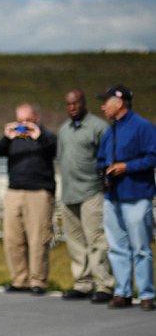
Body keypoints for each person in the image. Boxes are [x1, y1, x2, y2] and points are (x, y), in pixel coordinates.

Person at [95, 85, 156, 310]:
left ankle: (147, 294)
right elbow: (100, 158)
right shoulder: (110, 131)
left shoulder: (143, 127)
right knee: (117, 247)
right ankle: (122, 292)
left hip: (137, 195)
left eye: (106, 101)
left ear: (119, 102)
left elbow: (153, 156)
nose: (102, 106)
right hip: (113, 196)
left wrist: (127, 167)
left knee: (140, 247)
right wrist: (103, 169)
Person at [0, 103, 57, 295]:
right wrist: (7, 137)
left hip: (39, 192)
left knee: (38, 239)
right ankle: (20, 279)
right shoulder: (14, 139)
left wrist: (39, 136)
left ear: (36, 118)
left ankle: (38, 281)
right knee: (13, 239)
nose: (24, 125)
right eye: (20, 121)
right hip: (14, 191)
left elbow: (56, 149)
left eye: (27, 120)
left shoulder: (46, 136)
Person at [57, 89, 114, 303]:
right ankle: (83, 283)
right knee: (75, 241)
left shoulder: (99, 127)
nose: (72, 108)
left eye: (75, 103)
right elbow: (61, 158)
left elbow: (108, 158)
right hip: (69, 193)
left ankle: (104, 285)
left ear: (84, 103)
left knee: (96, 239)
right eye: (68, 104)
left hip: (91, 192)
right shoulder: (64, 130)